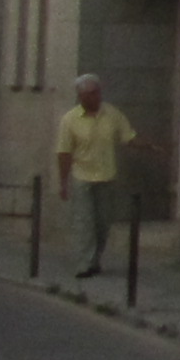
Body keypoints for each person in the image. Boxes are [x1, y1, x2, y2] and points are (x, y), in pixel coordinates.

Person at [51, 74, 140, 279]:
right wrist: (63, 182)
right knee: (84, 221)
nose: (92, 98)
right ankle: (84, 264)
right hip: (81, 176)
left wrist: (150, 146)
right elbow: (64, 152)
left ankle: (95, 258)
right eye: (86, 95)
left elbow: (128, 137)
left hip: (106, 175)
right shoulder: (70, 119)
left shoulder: (112, 114)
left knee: (102, 223)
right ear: (80, 97)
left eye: (95, 93)